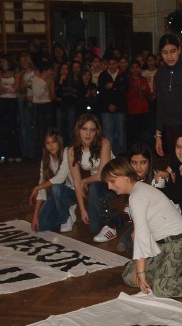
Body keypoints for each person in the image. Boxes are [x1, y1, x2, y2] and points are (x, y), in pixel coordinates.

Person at [102, 157, 182, 298]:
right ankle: (165, 274)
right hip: (160, 245)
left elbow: (141, 235)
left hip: (178, 243)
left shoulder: (137, 195)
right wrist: (140, 269)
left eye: (112, 181)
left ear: (125, 176)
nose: (109, 187)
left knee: (161, 288)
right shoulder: (138, 191)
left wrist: (141, 272)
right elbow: (138, 234)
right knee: (130, 276)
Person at [67, 113, 116, 242]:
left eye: (92, 130)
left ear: (96, 132)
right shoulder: (72, 151)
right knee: (95, 229)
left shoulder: (104, 143)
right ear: (78, 130)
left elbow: (102, 175)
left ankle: (110, 226)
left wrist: (84, 181)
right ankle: (116, 219)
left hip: (115, 183)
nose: (88, 134)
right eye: (84, 129)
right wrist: (82, 210)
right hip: (98, 185)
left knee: (94, 187)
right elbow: (76, 182)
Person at [29, 127, 76, 232]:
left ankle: (65, 218)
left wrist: (37, 187)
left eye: (53, 142)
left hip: (71, 193)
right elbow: (42, 186)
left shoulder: (67, 152)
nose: (51, 146)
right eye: (47, 143)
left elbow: (60, 178)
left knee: (56, 188)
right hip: (54, 196)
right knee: (40, 226)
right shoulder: (45, 160)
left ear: (59, 141)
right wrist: (35, 215)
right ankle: (64, 214)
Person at [98, 56, 128, 156]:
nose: (111, 66)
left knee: (120, 132)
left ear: (117, 64)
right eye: (109, 64)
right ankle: (108, 154)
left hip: (119, 108)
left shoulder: (123, 75)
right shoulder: (103, 75)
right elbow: (101, 93)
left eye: (113, 64)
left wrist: (114, 86)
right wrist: (108, 105)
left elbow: (124, 90)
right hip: (106, 109)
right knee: (108, 133)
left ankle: (120, 154)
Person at [0, 54, 21, 162]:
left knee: (12, 128)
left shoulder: (16, 73)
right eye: (1, 62)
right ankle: (6, 153)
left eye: (3, 61)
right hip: (1, 101)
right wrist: (8, 89)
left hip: (12, 102)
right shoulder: (0, 74)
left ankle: (15, 152)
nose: (2, 64)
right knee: (3, 128)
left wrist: (4, 89)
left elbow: (15, 88)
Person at [32, 59, 56, 160]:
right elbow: (37, 94)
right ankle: (40, 154)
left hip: (48, 105)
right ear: (45, 70)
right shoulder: (36, 80)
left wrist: (50, 86)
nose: (52, 72)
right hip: (39, 106)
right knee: (40, 131)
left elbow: (52, 97)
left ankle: (50, 153)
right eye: (50, 70)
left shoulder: (50, 80)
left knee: (49, 130)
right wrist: (46, 84)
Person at [125, 60, 151, 148]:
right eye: (133, 67)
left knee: (143, 132)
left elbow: (148, 93)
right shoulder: (128, 80)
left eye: (137, 67)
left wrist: (143, 90)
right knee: (133, 132)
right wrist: (136, 91)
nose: (135, 69)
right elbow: (125, 94)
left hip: (143, 109)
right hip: (132, 109)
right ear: (130, 69)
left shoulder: (143, 79)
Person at [54, 62, 78, 147]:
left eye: (66, 69)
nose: (64, 71)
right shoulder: (57, 81)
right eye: (62, 69)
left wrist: (63, 98)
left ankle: (71, 149)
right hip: (60, 108)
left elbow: (73, 97)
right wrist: (61, 82)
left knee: (70, 130)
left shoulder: (73, 82)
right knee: (60, 130)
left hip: (71, 108)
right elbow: (57, 95)